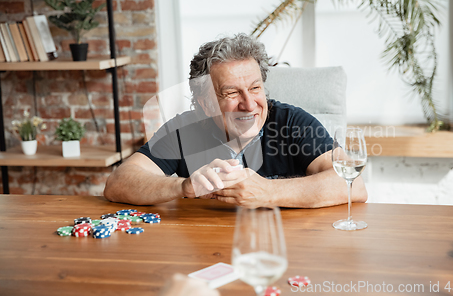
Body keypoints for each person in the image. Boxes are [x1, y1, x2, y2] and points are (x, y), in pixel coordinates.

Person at [104, 33, 367, 208]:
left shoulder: (292, 122)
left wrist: (268, 192)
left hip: (285, 249)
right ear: (205, 102)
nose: (249, 104)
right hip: (207, 249)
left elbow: (353, 185)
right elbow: (118, 183)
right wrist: (182, 186)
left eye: (255, 88)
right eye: (231, 93)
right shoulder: (183, 129)